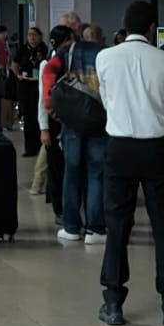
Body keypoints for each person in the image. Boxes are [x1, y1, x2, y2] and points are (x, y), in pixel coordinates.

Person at [95, 0, 164, 326]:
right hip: (156, 148)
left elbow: (107, 100)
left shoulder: (104, 58)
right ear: (152, 27)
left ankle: (113, 301)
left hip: (119, 147)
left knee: (117, 224)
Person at [55, 17, 108, 246]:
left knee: (72, 174)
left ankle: (71, 227)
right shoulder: (108, 53)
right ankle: (95, 229)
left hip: (73, 120)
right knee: (96, 173)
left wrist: (52, 107)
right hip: (100, 119)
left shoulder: (67, 52)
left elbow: (49, 75)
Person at [12, 26, 48, 157]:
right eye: (29, 35)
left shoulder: (44, 49)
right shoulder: (23, 49)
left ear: (40, 36)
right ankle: (29, 148)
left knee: (40, 117)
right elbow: (14, 65)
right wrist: (18, 75)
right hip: (26, 86)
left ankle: (41, 147)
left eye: (34, 35)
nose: (32, 38)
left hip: (39, 85)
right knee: (28, 118)